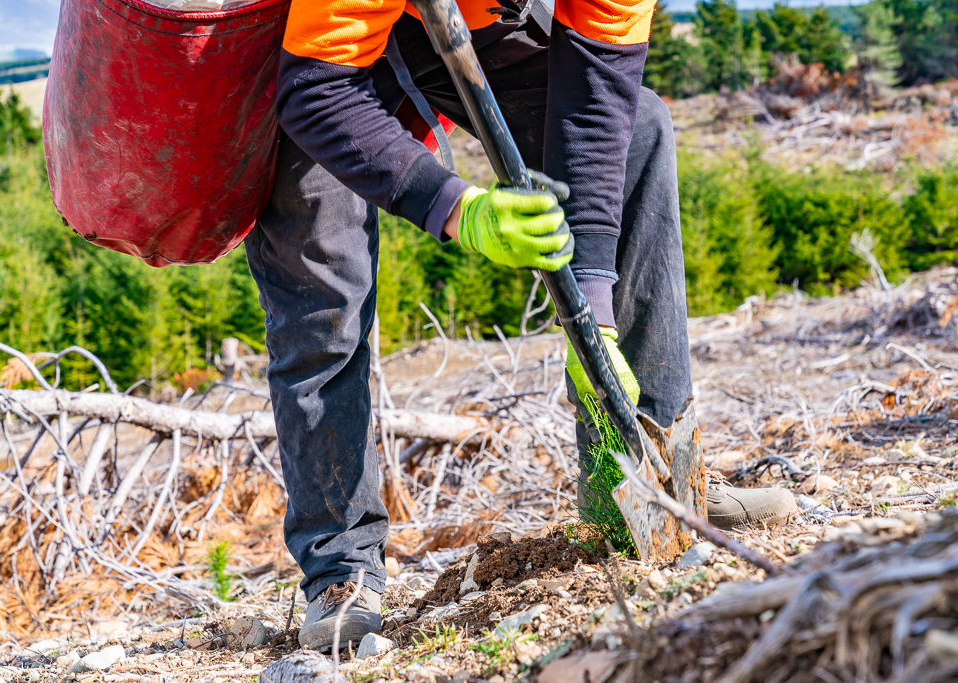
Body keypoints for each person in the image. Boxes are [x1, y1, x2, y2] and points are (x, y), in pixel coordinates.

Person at [244, 0, 797, 652]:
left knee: (638, 131)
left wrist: (596, 315)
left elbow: (594, 103)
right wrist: (457, 208)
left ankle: (650, 490)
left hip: (456, 19)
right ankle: (341, 572)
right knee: (322, 282)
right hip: (310, 49)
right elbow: (317, 90)